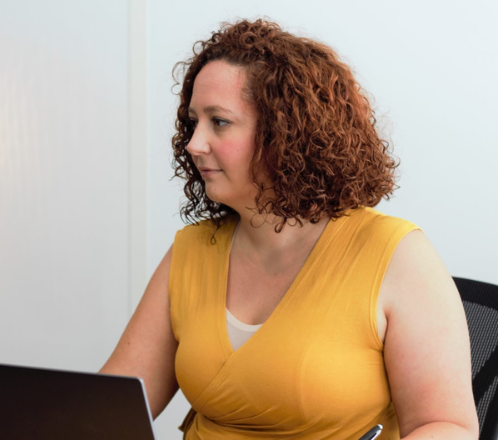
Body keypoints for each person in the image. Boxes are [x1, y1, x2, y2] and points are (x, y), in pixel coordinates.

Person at [100, 19, 478, 440]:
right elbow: (107, 409)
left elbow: (447, 426)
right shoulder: (191, 251)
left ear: (285, 134)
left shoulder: (396, 255)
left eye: (219, 122)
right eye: (193, 121)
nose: (194, 143)